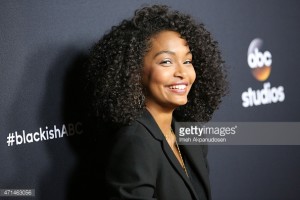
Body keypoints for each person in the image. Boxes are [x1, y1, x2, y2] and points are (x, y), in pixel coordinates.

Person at [86, 4, 228, 200]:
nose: (182, 73)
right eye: (166, 62)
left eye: (187, 61)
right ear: (133, 72)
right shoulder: (135, 142)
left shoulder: (189, 133)